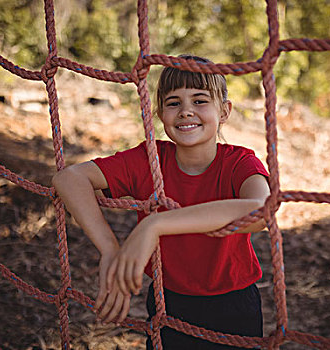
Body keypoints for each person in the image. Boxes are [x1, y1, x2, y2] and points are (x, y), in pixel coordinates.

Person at [52, 54, 270, 349]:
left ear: (225, 111)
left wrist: (155, 224)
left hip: (233, 304)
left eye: (200, 100)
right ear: (160, 113)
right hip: (168, 302)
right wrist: (110, 250)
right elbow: (69, 179)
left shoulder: (239, 162)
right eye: (174, 102)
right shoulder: (150, 159)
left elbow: (262, 212)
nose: (186, 111)